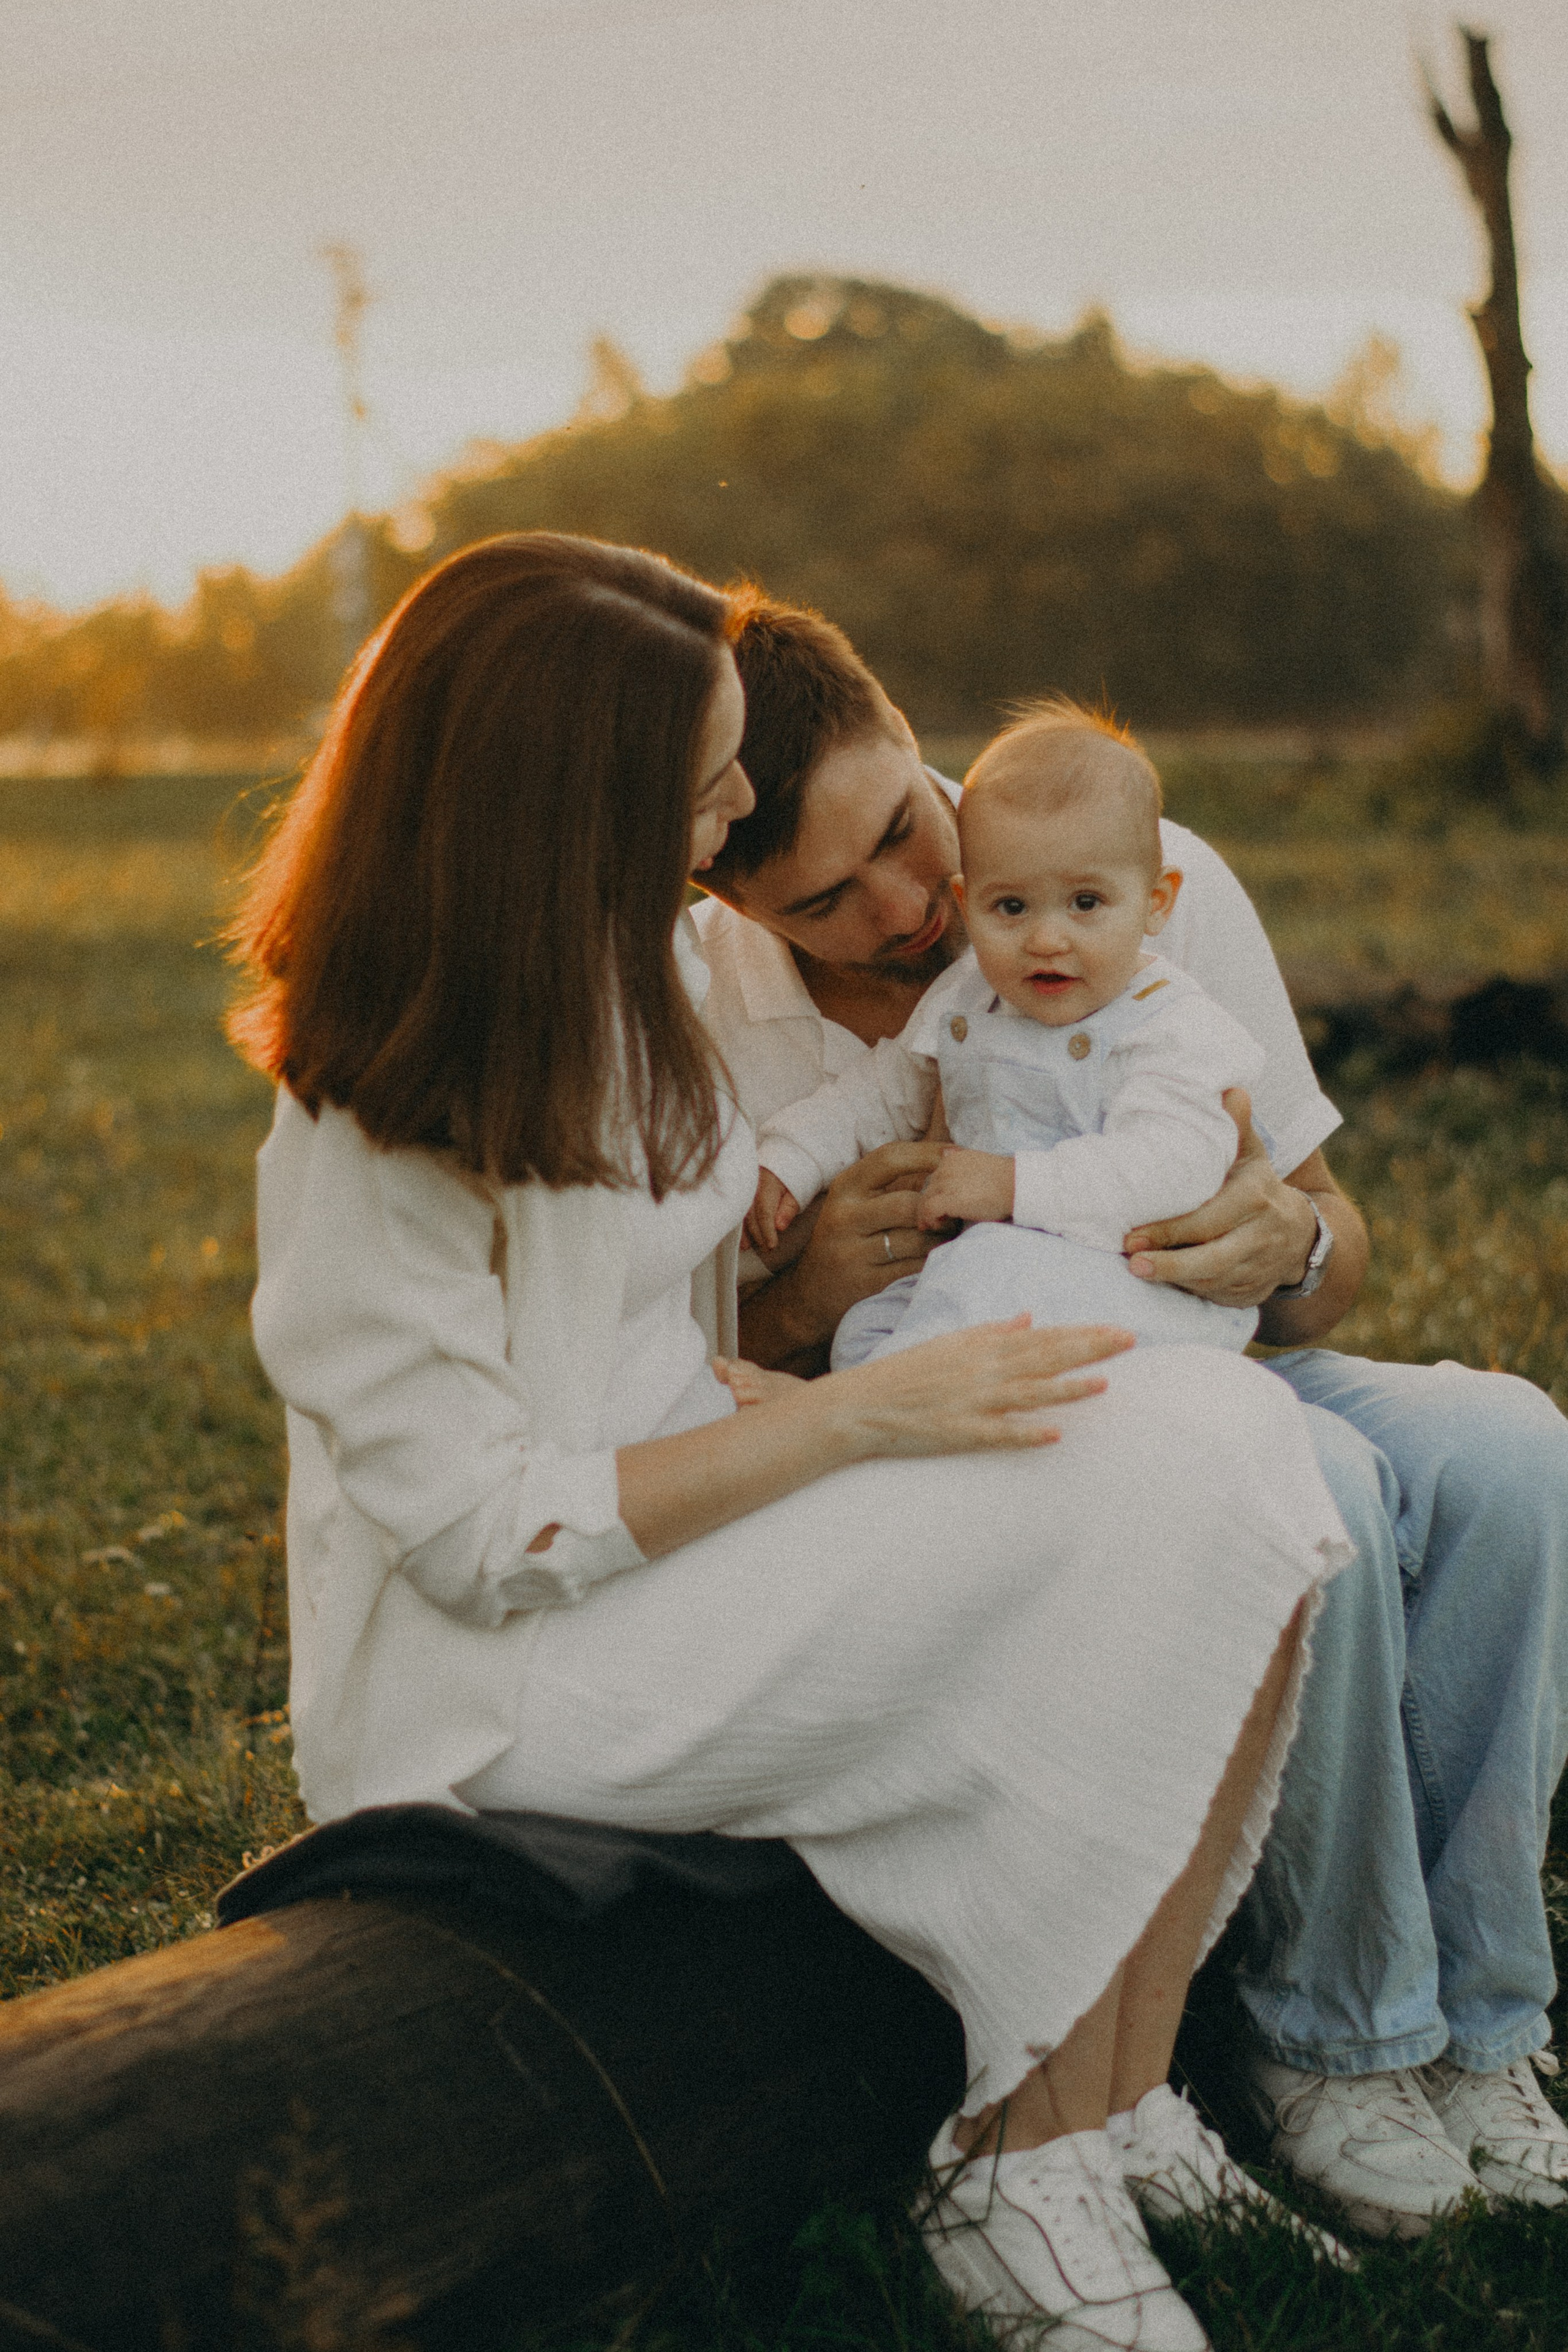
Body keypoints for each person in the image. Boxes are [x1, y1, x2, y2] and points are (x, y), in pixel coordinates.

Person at [232, 532, 1355, 2352]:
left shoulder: (611, 985)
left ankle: (1108, 2098)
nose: (737, 816)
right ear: (566, 808)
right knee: (1164, 1484)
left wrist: (775, 1397)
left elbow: (636, 1339)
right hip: (507, 1672)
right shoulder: (373, 1112)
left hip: (691, 1509)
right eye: (703, 789)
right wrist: (848, 1421)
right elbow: (479, 1536)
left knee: (1223, 1437)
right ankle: (1009, 2157)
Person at [693, 584, 1568, 2239]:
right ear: (731, 879)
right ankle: (1338, 2036)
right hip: (962, 1416)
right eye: (828, 896)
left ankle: (1484, 2020)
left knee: (1516, 1450)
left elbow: (1328, 1249)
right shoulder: (704, 1009)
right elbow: (704, 1367)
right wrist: (806, 1292)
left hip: (1183, 1342)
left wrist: (1288, 1234)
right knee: (1304, 1476)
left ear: (907, 731)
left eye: (908, 826)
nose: (917, 904)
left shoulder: (1138, 871)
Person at [748, 703, 1266, 1362]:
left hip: (1121, 1287)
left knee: (980, 1283)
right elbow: (880, 1091)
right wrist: (790, 1159)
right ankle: (889, 1416)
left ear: (1156, 901)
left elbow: (1171, 1167)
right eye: (1011, 907)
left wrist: (1014, 1186)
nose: (1046, 939)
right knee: (865, 1334)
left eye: (1085, 903)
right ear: (970, 903)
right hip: (982, 1275)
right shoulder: (968, 997)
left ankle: (927, 1411)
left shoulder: (1170, 1025)